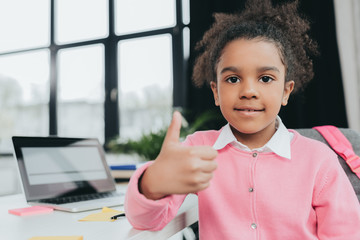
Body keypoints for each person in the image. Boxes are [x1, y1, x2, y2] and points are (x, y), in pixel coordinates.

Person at [124, 0, 360, 239]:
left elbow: (346, 234)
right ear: (216, 92)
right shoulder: (198, 149)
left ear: (286, 91)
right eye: (233, 79)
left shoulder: (319, 160)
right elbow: (145, 222)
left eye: (265, 78)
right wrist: (151, 184)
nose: (249, 91)